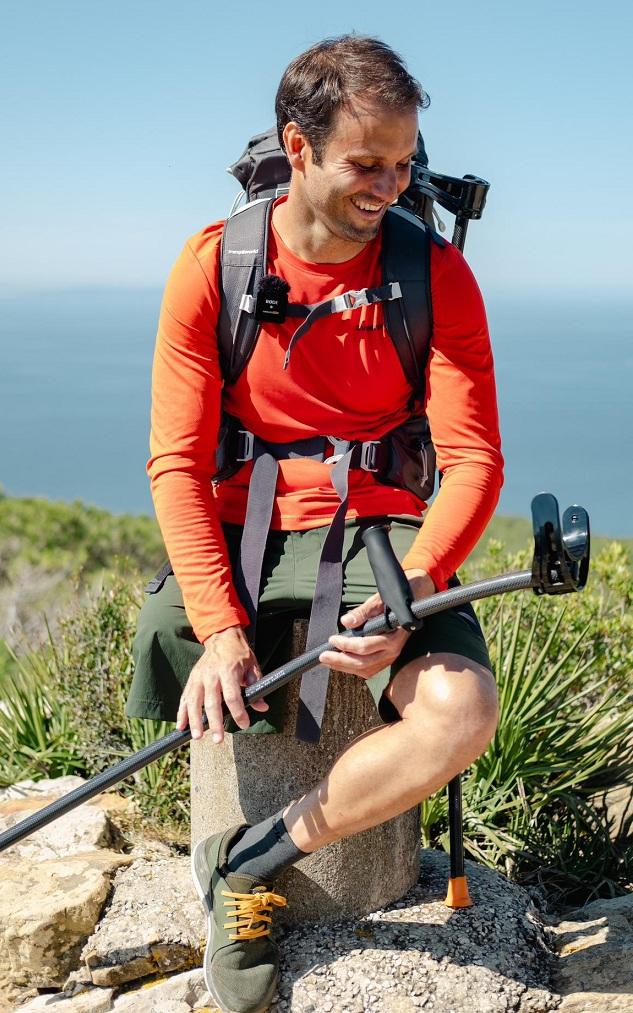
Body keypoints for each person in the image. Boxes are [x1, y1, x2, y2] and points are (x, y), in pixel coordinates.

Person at [127, 34, 503, 1013]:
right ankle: (240, 853)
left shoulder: (435, 278)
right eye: (366, 162)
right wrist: (215, 627)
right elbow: (174, 459)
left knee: (460, 710)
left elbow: (472, 461)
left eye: (405, 162)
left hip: (381, 534)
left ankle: (250, 859)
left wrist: (411, 588)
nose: (391, 184)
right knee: (221, 666)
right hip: (245, 524)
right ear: (299, 149)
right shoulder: (215, 265)